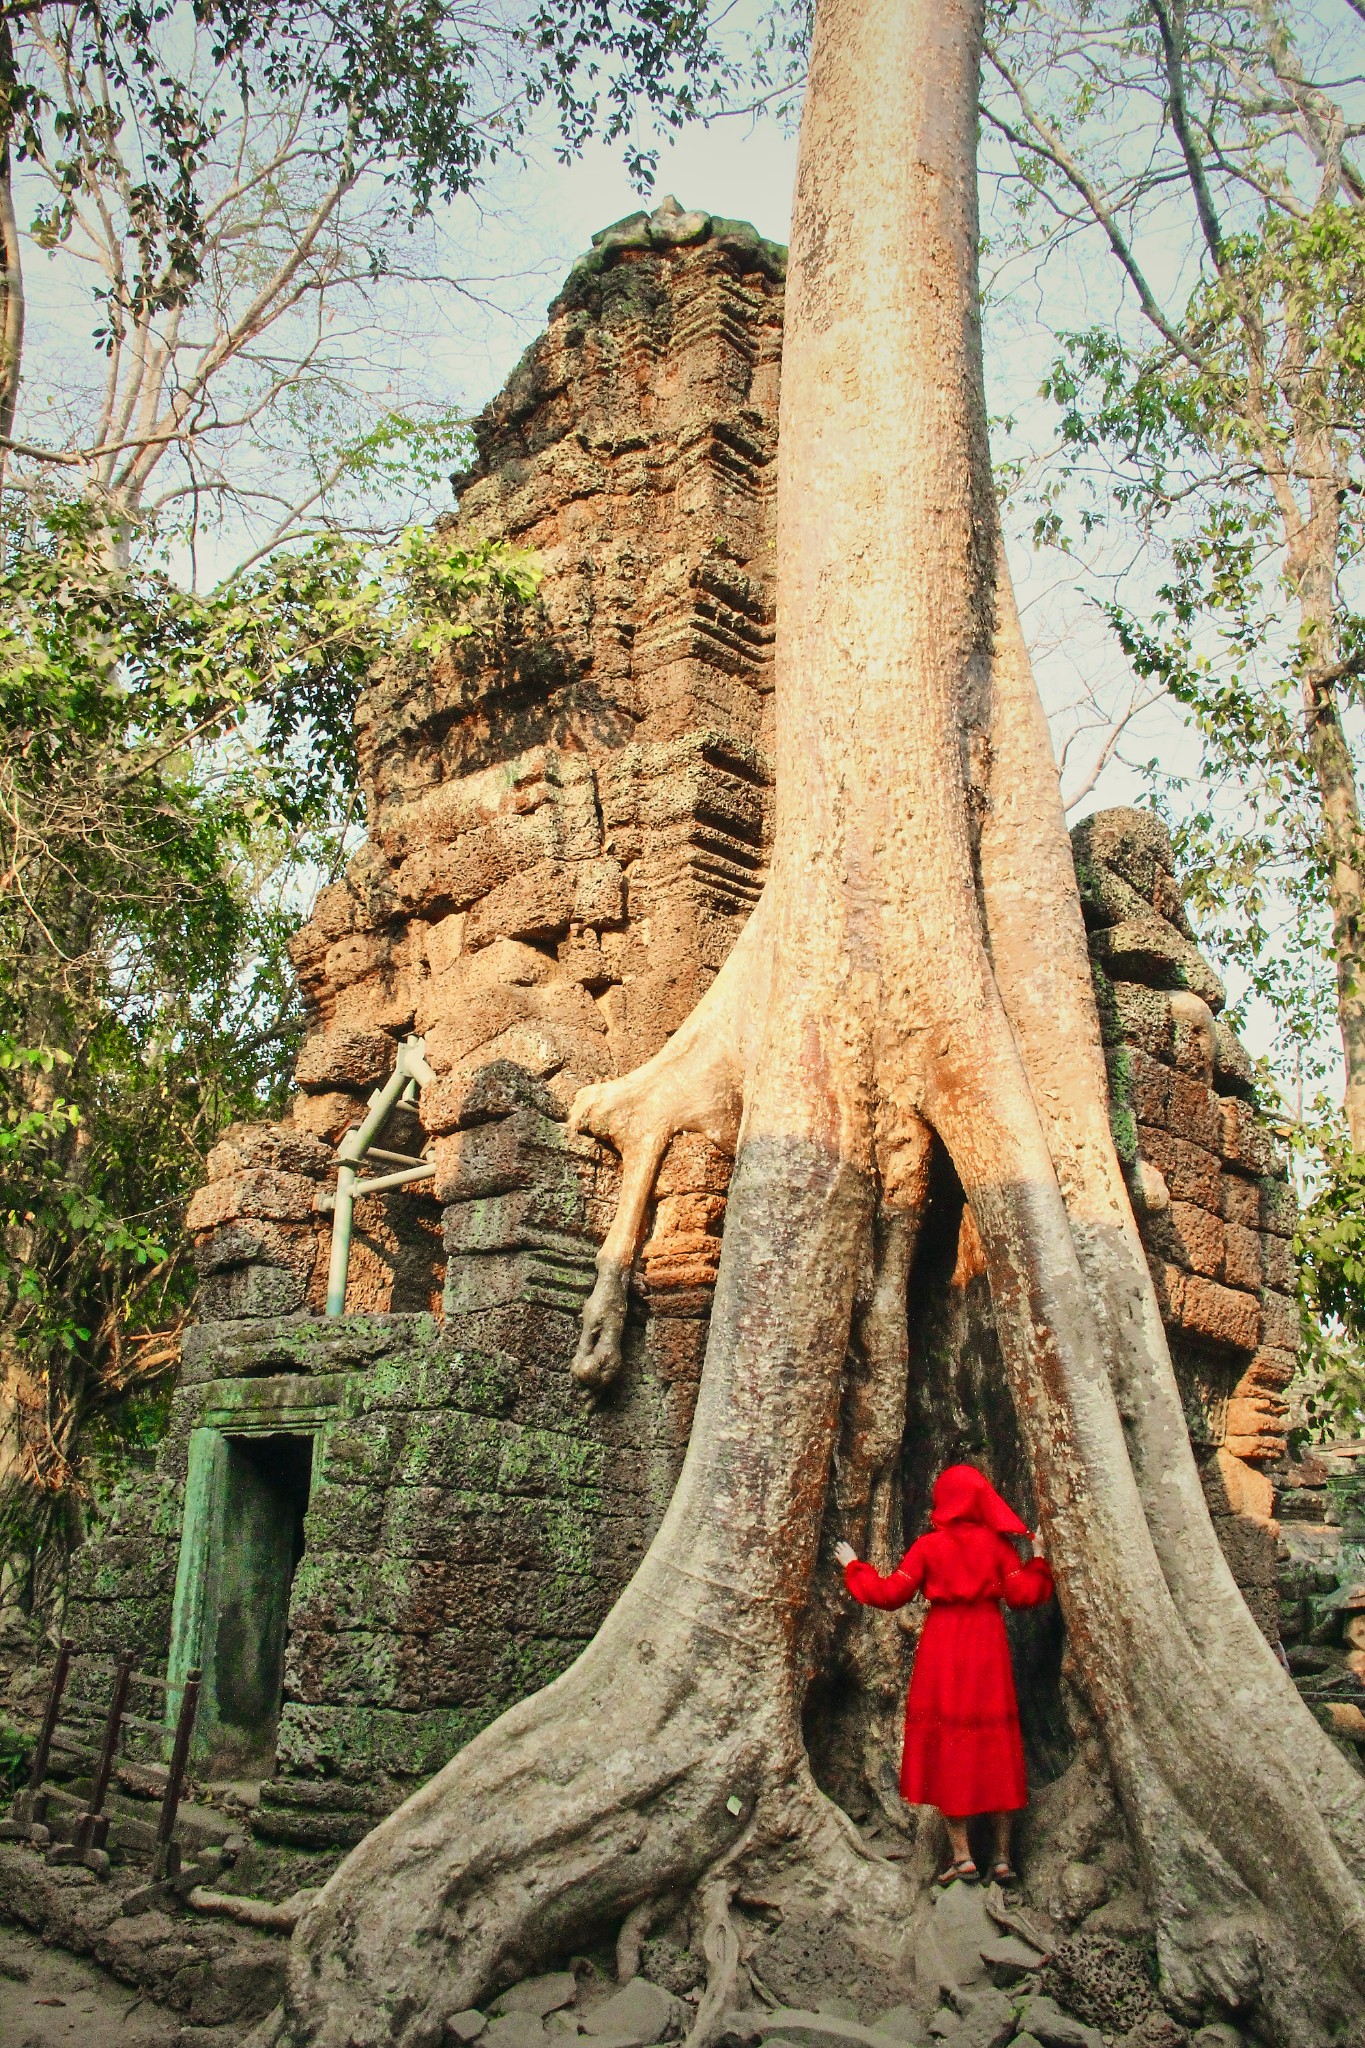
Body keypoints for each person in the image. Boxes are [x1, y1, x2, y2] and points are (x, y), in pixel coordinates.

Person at [835, 1462, 1053, 1886]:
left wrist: (854, 1567)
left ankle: (963, 1857)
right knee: (997, 1746)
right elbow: (1025, 1594)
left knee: (949, 1746)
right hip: (987, 1646)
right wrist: (1040, 1557)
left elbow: (889, 1594)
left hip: (943, 1650)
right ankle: (1004, 1859)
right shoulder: (996, 1548)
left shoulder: (928, 1547)